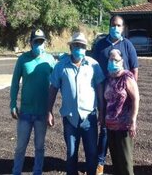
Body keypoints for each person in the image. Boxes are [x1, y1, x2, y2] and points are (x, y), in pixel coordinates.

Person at [47, 32, 105, 175]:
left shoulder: (93, 65)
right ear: (71, 47)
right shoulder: (61, 66)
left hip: (89, 117)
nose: (79, 48)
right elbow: (53, 88)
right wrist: (49, 111)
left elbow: (99, 88)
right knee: (71, 154)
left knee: (91, 154)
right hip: (70, 118)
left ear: (86, 48)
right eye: (76, 45)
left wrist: (102, 111)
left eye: (82, 46)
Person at [93, 15, 139, 175]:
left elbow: (134, 69)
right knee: (104, 131)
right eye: (113, 25)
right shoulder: (100, 45)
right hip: (104, 94)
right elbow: (93, 68)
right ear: (109, 26)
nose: (116, 28)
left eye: (119, 25)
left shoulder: (128, 45)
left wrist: (131, 89)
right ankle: (100, 162)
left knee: (122, 146)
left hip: (122, 99)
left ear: (123, 27)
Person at [10, 28, 56, 175]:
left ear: (45, 43)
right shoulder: (22, 60)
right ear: (30, 43)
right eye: (36, 42)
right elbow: (15, 82)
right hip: (25, 112)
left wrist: (51, 110)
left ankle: (37, 172)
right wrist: (12, 103)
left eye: (41, 42)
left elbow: (57, 83)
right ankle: (16, 171)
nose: (39, 45)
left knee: (40, 147)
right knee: (20, 147)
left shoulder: (50, 60)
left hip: (42, 113)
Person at [104, 49, 140, 175]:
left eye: (116, 60)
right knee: (116, 161)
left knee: (125, 162)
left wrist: (133, 120)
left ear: (122, 61)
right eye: (111, 59)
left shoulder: (127, 77)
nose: (113, 62)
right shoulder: (108, 77)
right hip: (110, 125)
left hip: (123, 125)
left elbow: (136, 98)